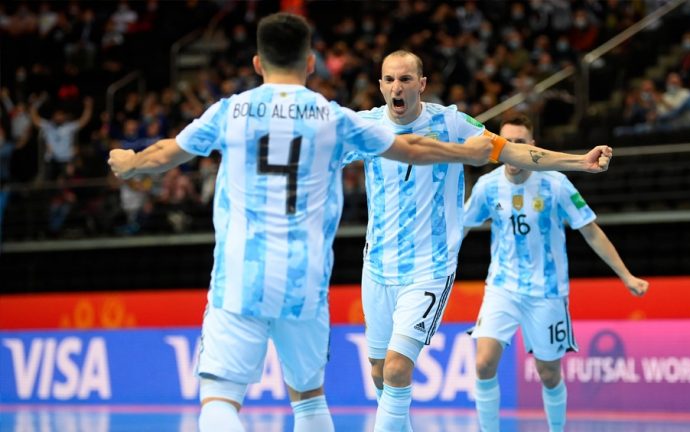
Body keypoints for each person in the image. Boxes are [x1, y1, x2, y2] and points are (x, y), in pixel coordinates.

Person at [107, 12, 498, 432]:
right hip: (304, 280)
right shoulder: (332, 117)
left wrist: (132, 162)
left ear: (258, 64)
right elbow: (413, 147)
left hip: (242, 274)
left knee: (220, 399)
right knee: (309, 400)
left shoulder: (231, 111)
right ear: (311, 63)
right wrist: (468, 153)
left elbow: (167, 154)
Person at [343, 50, 613, 432]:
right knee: (379, 373)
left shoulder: (451, 123)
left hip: (428, 269)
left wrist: (577, 161)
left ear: (421, 84)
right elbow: (318, 153)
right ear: (380, 85)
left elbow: (513, 150)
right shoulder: (366, 126)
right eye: (389, 79)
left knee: (398, 367)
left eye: (405, 79)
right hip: (377, 267)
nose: (396, 87)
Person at [464, 114, 648, 432]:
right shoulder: (487, 186)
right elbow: (461, 228)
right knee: (483, 363)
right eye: (506, 141)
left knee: (549, 373)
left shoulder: (555, 183)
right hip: (502, 287)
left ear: (532, 145)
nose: (512, 147)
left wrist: (626, 275)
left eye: (520, 142)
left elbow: (590, 230)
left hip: (547, 291)